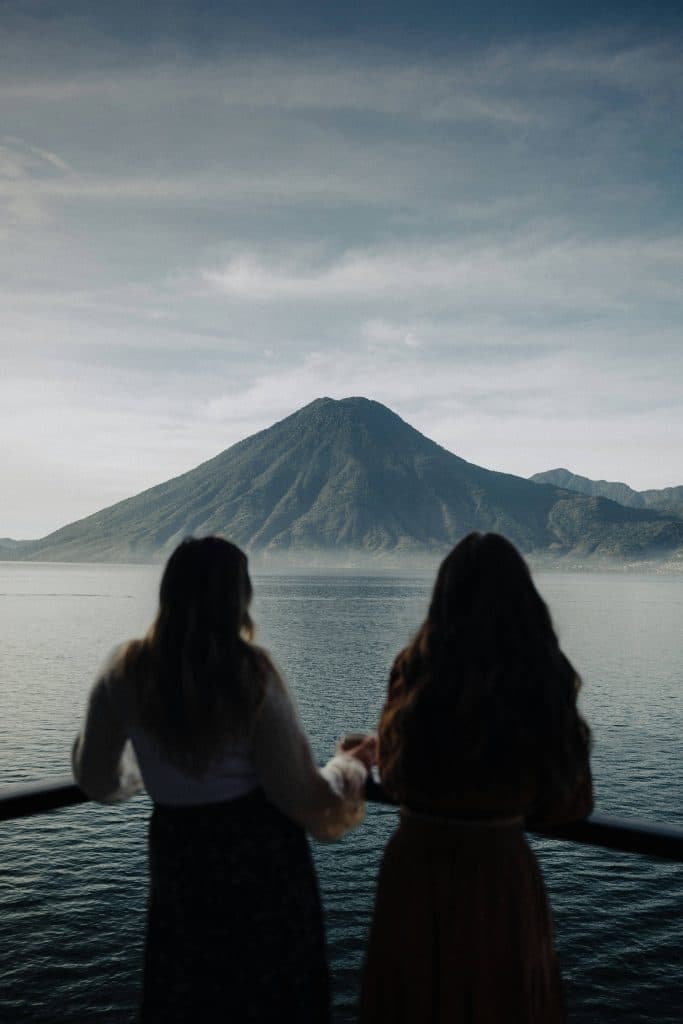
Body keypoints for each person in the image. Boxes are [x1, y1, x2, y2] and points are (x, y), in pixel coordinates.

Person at [72, 536, 376, 1023]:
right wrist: (352, 765)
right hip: (263, 872)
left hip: (180, 863)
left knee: (189, 996)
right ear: (240, 596)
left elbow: (98, 779)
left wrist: (158, 773)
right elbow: (305, 796)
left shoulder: (125, 669)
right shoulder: (251, 673)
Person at [361, 532, 593, 1024]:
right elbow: (570, 804)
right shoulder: (544, 678)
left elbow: (396, 781)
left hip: (416, 868)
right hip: (498, 877)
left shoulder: (413, 670)